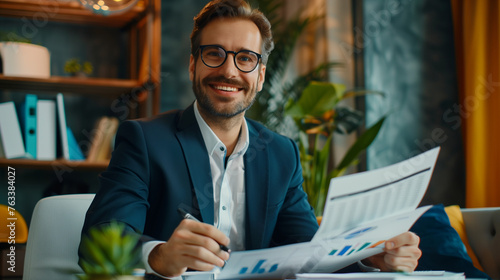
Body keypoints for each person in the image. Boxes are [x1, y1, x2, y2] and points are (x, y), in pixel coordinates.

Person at [80, 0, 421, 278]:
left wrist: (371, 259)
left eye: (245, 58)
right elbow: (100, 239)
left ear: (259, 76)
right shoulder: (144, 139)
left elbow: (308, 250)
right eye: (214, 53)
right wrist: (159, 256)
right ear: (192, 65)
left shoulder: (281, 153)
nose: (229, 71)